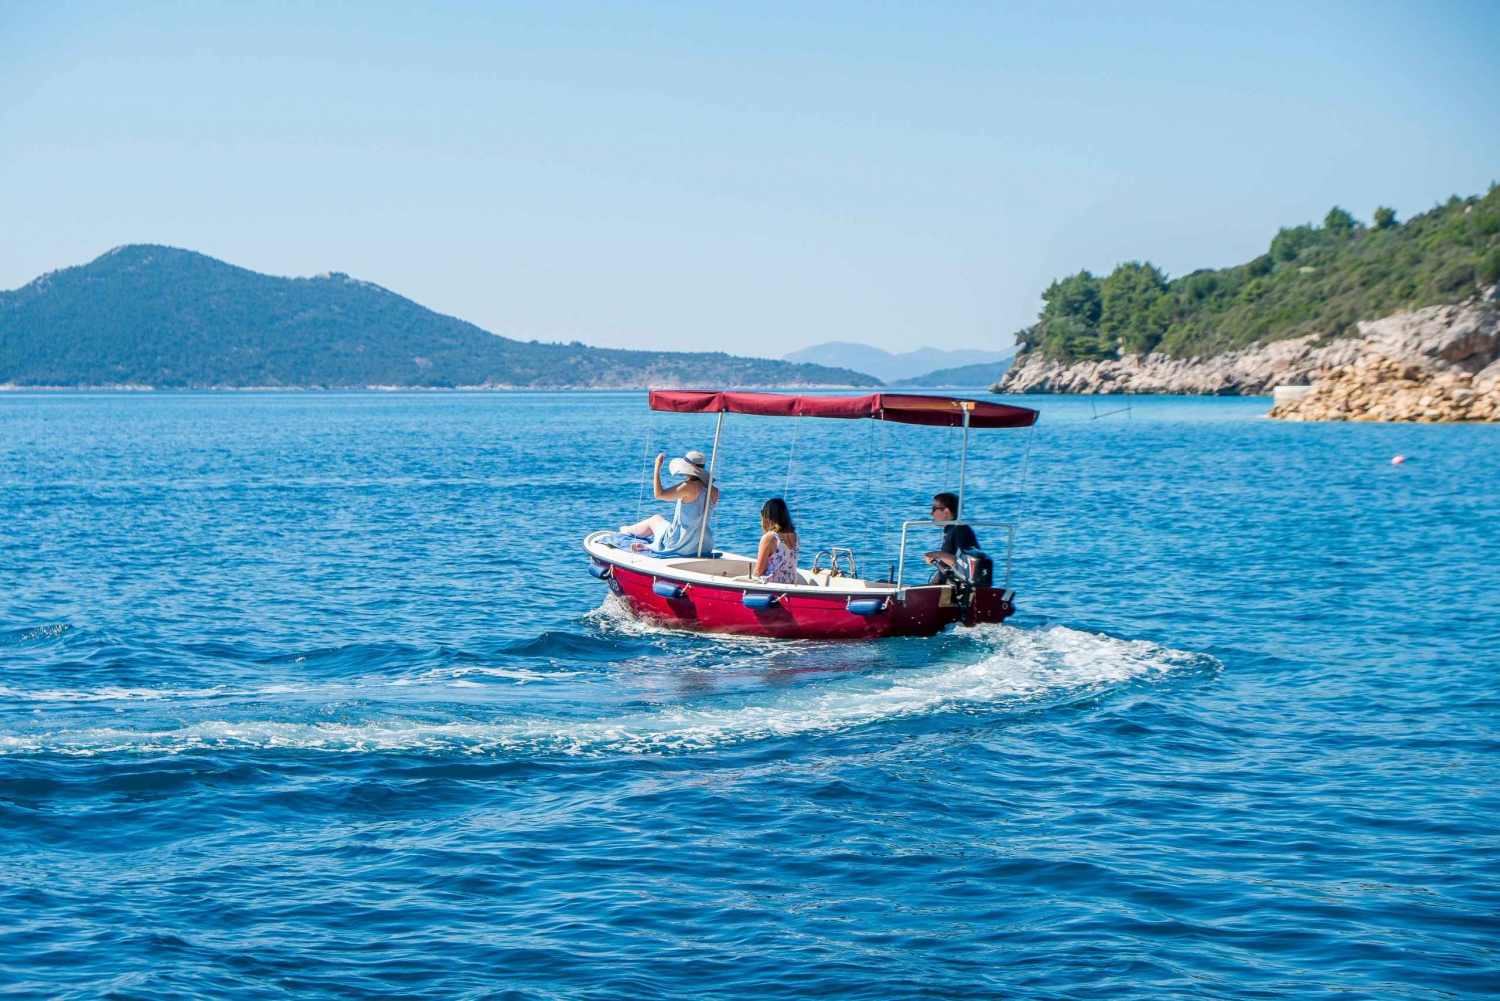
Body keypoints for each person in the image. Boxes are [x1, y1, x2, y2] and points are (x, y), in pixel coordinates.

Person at [619, 451, 721, 556]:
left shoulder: (688, 486)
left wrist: (657, 468)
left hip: (679, 541)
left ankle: (627, 530)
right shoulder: (715, 491)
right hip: (702, 544)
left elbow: (659, 494)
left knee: (655, 519)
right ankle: (643, 542)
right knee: (663, 524)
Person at [923, 491, 978, 571]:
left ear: (946, 512)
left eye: (934, 509)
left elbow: (965, 565)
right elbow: (944, 569)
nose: (931, 513)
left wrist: (938, 554)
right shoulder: (951, 530)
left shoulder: (960, 531)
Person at [751, 498, 799, 584]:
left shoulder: (769, 538)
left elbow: (758, 571)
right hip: (790, 584)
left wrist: (751, 576)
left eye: (763, 513)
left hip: (771, 585)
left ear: (768, 516)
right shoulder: (795, 537)